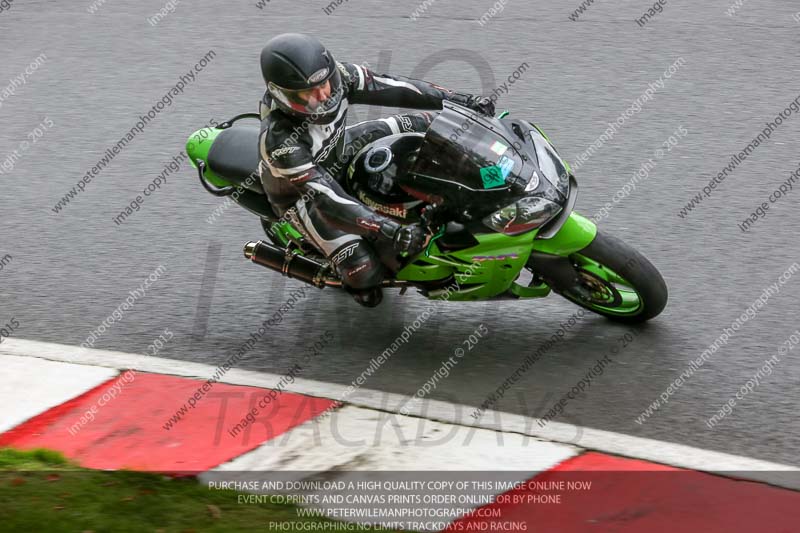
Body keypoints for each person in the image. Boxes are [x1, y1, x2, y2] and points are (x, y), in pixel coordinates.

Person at [258, 33, 495, 307]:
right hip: (304, 196)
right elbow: (326, 197)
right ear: (282, 94)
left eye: (326, 83)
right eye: (307, 94)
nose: (324, 95)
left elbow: (397, 87)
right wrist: (388, 229)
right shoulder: (280, 142)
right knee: (364, 273)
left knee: (431, 123)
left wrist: (462, 101)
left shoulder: (340, 77)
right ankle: (349, 279)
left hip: (341, 147)